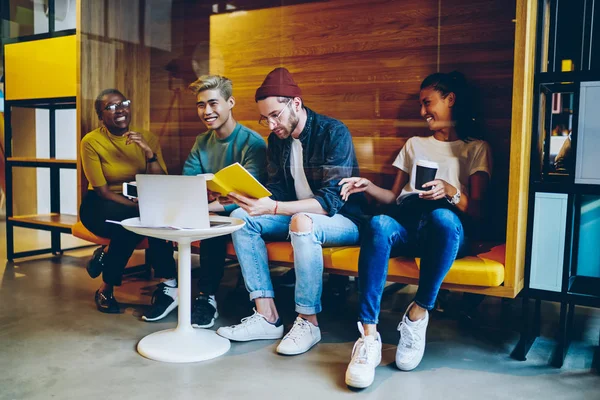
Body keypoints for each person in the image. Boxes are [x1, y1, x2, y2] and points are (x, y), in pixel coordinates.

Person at [340, 72, 492, 388]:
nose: (423, 111)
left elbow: (477, 211)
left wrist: (451, 191)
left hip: (448, 230)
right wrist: (368, 186)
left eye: (428, 102)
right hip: (409, 222)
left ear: (450, 99)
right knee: (379, 223)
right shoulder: (414, 144)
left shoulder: (475, 148)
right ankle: (369, 336)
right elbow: (393, 198)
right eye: (422, 104)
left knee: (443, 218)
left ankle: (418, 313)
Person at [216, 67, 365, 355]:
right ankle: (267, 316)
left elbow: (331, 201)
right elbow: (279, 190)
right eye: (265, 118)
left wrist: (273, 207)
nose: (271, 125)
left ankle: (308, 321)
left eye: (276, 115)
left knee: (302, 220)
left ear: (295, 103)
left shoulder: (333, 132)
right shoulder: (278, 141)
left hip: (342, 220)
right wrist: (249, 197)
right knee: (241, 218)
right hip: (294, 216)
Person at [80, 89, 178, 319]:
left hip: (138, 202)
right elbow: (103, 191)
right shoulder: (92, 142)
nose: (120, 110)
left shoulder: (147, 138)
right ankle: (107, 288)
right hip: (100, 205)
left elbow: (160, 181)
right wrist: (140, 209)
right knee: (130, 225)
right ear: (100, 116)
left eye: (123, 103)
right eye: (111, 107)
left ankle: (164, 284)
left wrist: (149, 153)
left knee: (141, 224)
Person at [182, 75, 267, 328]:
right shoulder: (201, 142)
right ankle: (169, 288)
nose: (207, 111)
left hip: (246, 214)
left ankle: (205, 297)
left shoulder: (253, 143)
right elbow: (189, 181)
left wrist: (214, 204)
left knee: (215, 226)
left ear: (230, 103)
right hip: (210, 208)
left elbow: (252, 194)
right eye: (201, 105)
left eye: (213, 103)